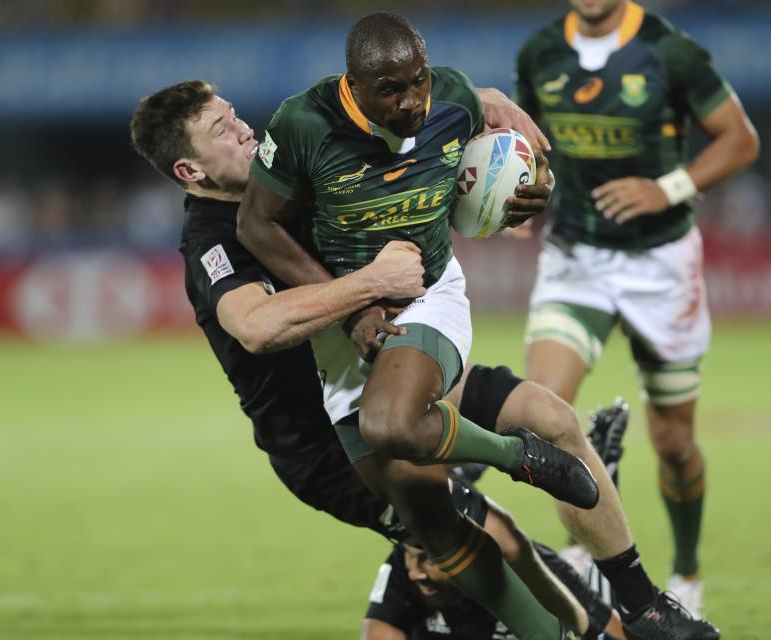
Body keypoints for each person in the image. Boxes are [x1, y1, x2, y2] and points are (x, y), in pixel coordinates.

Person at [131, 74, 719, 640]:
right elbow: (256, 326)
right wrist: (369, 286)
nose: (243, 130)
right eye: (220, 130)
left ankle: (644, 608)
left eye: (234, 114)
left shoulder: (286, 169)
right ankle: (580, 618)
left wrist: (488, 141)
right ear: (190, 170)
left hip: (389, 364)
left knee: (555, 419)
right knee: (498, 538)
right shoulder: (212, 239)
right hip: (328, 443)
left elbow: (393, 134)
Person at [237, 12, 603, 639]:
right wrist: (349, 304)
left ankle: (521, 458)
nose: (412, 102)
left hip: (428, 295)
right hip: (341, 323)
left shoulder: (455, 100)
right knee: (431, 527)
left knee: (392, 424)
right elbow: (256, 225)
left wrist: (536, 188)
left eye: (419, 82)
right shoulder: (302, 124)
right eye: (392, 89)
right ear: (352, 83)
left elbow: (519, 165)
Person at [515, 0, 760, 619]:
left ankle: (688, 569)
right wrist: (517, 198)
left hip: (661, 266)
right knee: (544, 412)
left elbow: (741, 139)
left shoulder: (670, 52)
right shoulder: (539, 54)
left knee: (674, 443)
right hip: (576, 259)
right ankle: (584, 552)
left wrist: (667, 187)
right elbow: (527, 145)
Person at [361, 404, 633, 640]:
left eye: (427, 560)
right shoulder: (409, 557)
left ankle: (599, 466)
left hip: (554, 571)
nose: (414, 572)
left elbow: (610, 633)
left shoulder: (527, 568)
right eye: (413, 557)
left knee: (586, 570)